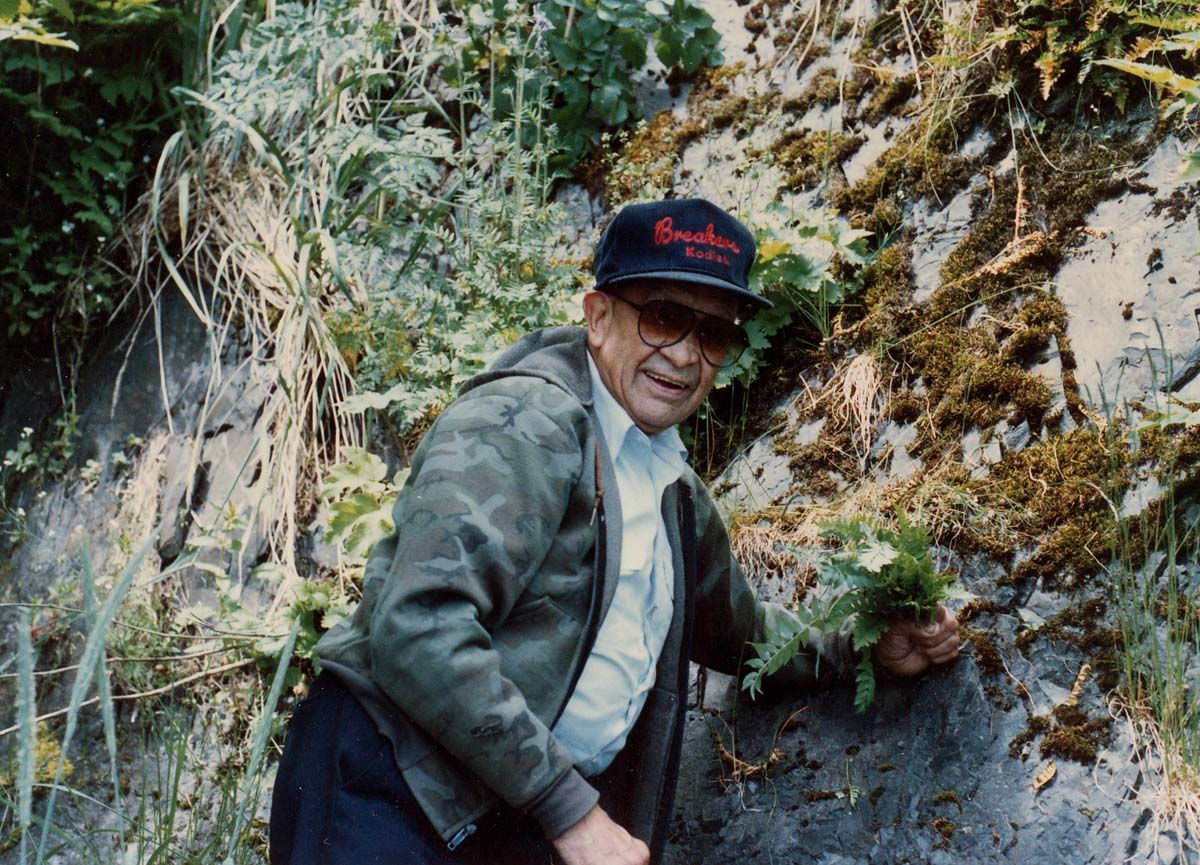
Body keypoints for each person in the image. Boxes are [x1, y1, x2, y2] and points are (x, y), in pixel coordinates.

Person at [268, 199, 961, 865]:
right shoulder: (525, 422)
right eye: (664, 318)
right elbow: (419, 625)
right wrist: (570, 810)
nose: (685, 356)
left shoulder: (671, 489)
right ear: (598, 317)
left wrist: (861, 647)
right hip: (388, 781)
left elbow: (742, 634)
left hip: (503, 815)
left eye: (713, 334)